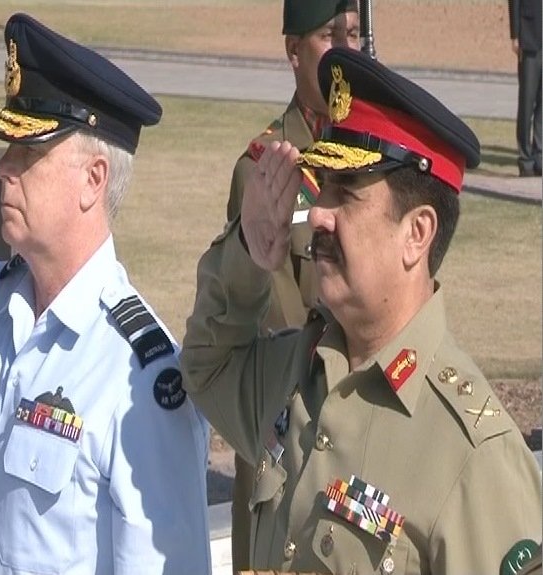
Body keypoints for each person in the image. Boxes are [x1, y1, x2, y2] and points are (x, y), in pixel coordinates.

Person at [181, 47, 542, 574]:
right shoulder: (296, 372)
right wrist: (246, 253)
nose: (319, 214)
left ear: (416, 234)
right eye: (321, 186)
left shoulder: (474, 456)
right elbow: (205, 367)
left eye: (345, 194)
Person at [0, 13, 210, 575]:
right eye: (10, 147)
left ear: (93, 180)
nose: (4, 169)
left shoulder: (140, 378)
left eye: (29, 153)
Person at [225, 1, 360, 569]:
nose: (348, 49)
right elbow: (273, 315)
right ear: (293, 50)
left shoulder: (372, 157)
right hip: (290, 432)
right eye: (331, 35)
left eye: (355, 33)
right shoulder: (267, 167)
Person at [508, 0, 542, 176]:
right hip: (529, 37)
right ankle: (525, 159)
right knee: (527, 103)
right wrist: (515, 35)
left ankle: (539, 156)